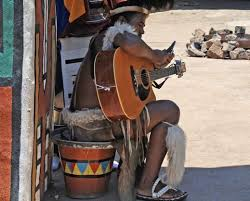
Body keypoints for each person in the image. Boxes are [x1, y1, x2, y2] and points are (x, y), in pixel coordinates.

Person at [62, 0, 187, 200]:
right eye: (140, 25)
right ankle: (146, 186)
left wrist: (152, 66)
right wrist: (154, 55)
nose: (142, 31)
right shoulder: (107, 37)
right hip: (93, 125)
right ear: (121, 20)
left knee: (162, 121)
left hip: (103, 122)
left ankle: (146, 181)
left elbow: (123, 84)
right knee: (170, 110)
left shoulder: (115, 49)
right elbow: (127, 40)